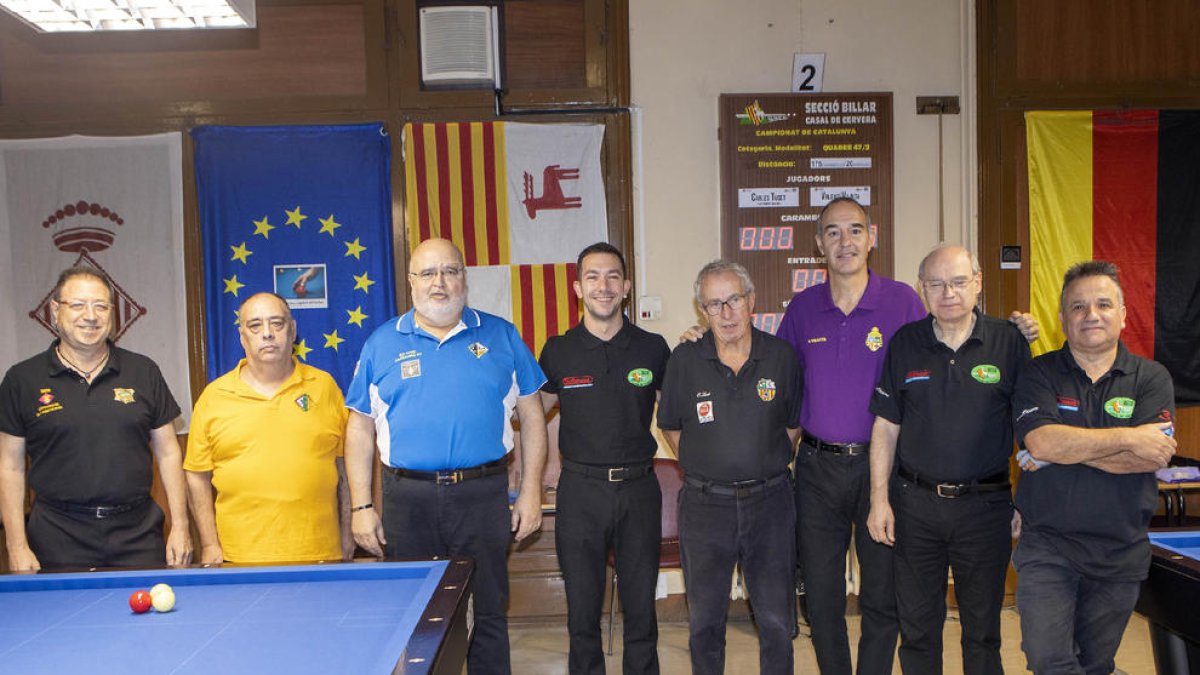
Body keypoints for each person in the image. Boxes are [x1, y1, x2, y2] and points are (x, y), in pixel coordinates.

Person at [343, 237, 549, 675]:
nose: (439, 283)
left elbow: (533, 416)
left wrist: (532, 491)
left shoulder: (501, 335)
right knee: (413, 616)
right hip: (407, 500)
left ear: (463, 279)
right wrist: (361, 507)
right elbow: (359, 428)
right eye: (428, 273)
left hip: (482, 496)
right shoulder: (382, 342)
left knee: (488, 611)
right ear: (411, 281)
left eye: (449, 271)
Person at [865, 244, 1032, 674]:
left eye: (958, 282)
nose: (948, 293)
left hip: (986, 508)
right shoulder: (905, 342)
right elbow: (886, 425)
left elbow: (1031, 430)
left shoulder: (1009, 342)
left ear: (978, 283)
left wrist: (1024, 501)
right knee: (918, 630)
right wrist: (879, 500)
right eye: (936, 284)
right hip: (915, 507)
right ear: (922, 288)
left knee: (983, 632)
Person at [1011, 260, 1175, 675]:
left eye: (1103, 304)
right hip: (1048, 545)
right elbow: (1042, 441)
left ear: (1123, 314)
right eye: (1078, 306)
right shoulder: (1038, 373)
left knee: (1096, 664)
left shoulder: (1151, 378)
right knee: (1048, 658)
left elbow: (1151, 457)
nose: (1091, 315)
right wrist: (1129, 437)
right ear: (1062, 318)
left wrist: (1064, 449)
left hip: (1119, 550)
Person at [658, 260, 801, 675]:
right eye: (714, 304)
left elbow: (793, 425)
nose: (726, 313)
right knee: (705, 624)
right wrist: (710, 464)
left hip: (771, 504)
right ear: (702, 310)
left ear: (751, 300)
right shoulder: (685, 359)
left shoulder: (781, 357)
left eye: (733, 300)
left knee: (776, 621)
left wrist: (758, 461)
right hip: (705, 507)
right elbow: (671, 426)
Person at [0, 266, 192, 570]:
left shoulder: (144, 372)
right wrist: (16, 545)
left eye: (101, 306)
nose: (90, 316)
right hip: (56, 536)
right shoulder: (22, 379)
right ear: (55, 311)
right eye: (78, 305)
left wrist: (181, 526)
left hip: (137, 534)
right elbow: (9, 466)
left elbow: (169, 452)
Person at [539, 242, 670, 675]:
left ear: (626, 286)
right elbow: (533, 415)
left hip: (639, 491)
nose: (604, 285)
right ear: (578, 287)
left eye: (613, 276)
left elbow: (679, 411)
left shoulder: (653, 348)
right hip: (580, 493)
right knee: (582, 612)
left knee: (641, 610)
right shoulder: (558, 350)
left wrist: (698, 344)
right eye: (592, 276)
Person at [184, 292, 351, 564]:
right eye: (255, 325)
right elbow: (196, 476)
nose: (267, 333)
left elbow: (345, 466)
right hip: (238, 558)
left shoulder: (325, 387)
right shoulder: (214, 397)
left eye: (277, 323)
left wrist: (348, 532)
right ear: (242, 337)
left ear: (292, 330)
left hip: (321, 554)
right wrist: (209, 543)